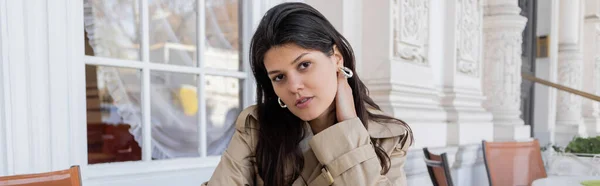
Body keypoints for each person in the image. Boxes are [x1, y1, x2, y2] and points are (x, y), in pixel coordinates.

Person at [203, 2, 413, 186]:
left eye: (304, 65)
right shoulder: (256, 127)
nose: (293, 86)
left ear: (337, 58)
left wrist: (347, 126)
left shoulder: (389, 139)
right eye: (279, 77)